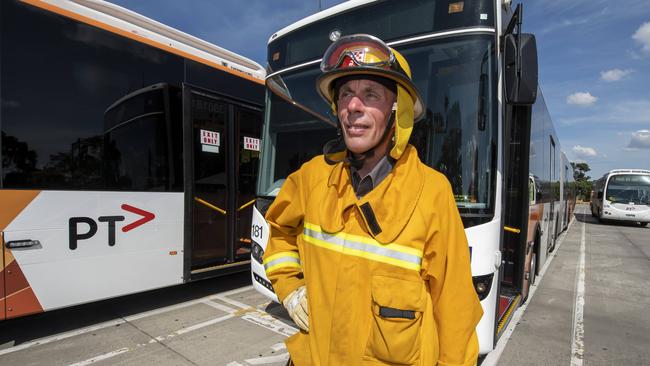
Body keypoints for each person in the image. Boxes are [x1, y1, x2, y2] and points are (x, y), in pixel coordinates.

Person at [263, 34, 483, 366]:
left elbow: (455, 312)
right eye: (346, 94)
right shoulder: (311, 178)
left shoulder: (433, 192)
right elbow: (279, 233)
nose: (353, 106)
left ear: (399, 109)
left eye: (371, 94)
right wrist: (291, 289)